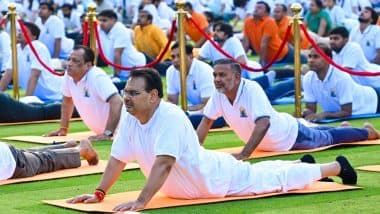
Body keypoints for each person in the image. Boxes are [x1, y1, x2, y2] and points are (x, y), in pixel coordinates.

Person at [66, 68, 357, 212]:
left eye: (133, 93)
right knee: (263, 172)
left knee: (275, 179)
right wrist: (100, 194)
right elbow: (117, 159)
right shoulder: (131, 118)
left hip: (215, 179)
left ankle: (334, 166)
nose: (126, 98)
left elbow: (164, 164)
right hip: (202, 180)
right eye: (126, 92)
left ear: (153, 96)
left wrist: (141, 202)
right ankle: (301, 163)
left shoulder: (169, 116)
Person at [196, 58, 379, 160]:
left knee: (328, 138)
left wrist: (245, 153)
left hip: (289, 136)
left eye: (222, 75)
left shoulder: (251, 89)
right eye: (215, 75)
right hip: (279, 138)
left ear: (236, 77)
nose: (217, 79)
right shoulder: (219, 93)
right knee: (322, 132)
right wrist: (197, 149)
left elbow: (263, 123)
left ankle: (366, 132)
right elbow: (206, 120)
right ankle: (345, 129)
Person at [44, 45, 123, 141]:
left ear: (88, 65)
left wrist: (108, 133)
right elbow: (67, 101)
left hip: (122, 133)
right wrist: (63, 129)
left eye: (75, 61)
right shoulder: (68, 75)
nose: (69, 64)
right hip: (104, 133)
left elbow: (117, 101)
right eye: (69, 59)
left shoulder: (97, 77)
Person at [302, 44, 380, 121]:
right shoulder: (307, 78)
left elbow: (346, 112)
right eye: (309, 56)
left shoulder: (341, 77)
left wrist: (325, 114)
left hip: (375, 100)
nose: (311, 60)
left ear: (328, 59)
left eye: (316, 57)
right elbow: (310, 109)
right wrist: (303, 113)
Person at [166, 42, 225, 129]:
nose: (175, 60)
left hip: (217, 113)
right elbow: (172, 101)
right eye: (173, 57)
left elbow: (208, 106)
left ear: (191, 56)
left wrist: (185, 111)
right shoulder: (171, 71)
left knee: (182, 120)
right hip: (194, 112)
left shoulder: (204, 71)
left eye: (179, 56)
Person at [0, 22, 62, 103]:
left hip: (54, 94)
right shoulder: (16, 49)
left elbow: (35, 75)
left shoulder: (38, 46)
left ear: (34, 37)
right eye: (19, 31)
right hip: (37, 96)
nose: (19, 33)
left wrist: (27, 100)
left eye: (23, 31)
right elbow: (8, 74)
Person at [0, 139, 98, 181]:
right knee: (28, 155)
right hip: (8, 153)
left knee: (44, 160)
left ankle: (81, 150)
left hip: (13, 162)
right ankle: (64, 147)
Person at [97, 9, 146, 79]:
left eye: (104, 20)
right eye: (100, 20)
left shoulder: (120, 29)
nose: (101, 23)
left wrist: (116, 76)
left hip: (139, 64)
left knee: (163, 68)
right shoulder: (99, 30)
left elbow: (117, 53)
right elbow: (96, 51)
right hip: (123, 69)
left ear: (113, 20)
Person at [242, 1, 294, 66]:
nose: (256, 9)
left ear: (266, 13)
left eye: (260, 8)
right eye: (255, 7)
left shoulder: (269, 22)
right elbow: (245, 42)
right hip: (269, 57)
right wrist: (242, 59)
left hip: (284, 54)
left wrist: (261, 62)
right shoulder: (248, 21)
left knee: (304, 60)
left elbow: (264, 43)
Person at [133, 10, 171, 75]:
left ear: (149, 21)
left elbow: (165, 46)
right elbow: (137, 47)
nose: (139, 19)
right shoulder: (136, 29)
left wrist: (158, 60)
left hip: (162, 60)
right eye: (138, 16)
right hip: (148, 60)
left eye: (142, 17)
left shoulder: (154, 29)